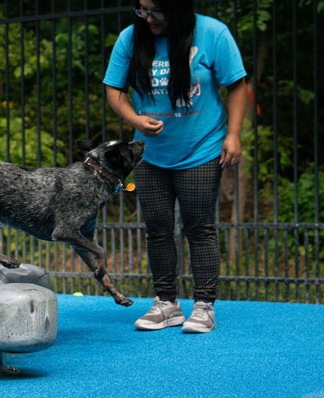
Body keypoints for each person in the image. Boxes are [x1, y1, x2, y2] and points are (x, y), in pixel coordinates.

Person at [103, 0, 247, 333]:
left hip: (201, 147)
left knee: (199, 226)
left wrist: (234, 135)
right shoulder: (130, 38)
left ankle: (204, 305)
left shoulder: (213, 34)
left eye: (156, 10)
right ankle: (167, 303)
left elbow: (237, 85)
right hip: (151, 153)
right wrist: (134, 119)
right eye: (142, 9)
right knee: (157, 227)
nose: (148, 18)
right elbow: (114, 89)